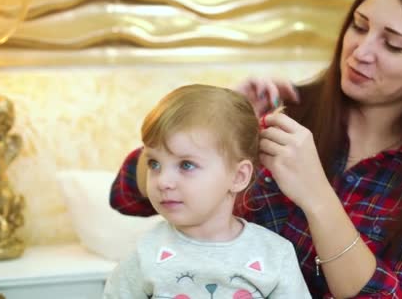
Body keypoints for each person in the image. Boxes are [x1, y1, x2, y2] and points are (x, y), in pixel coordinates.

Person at [109, 0, 402, 298]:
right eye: (359, 26)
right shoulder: (286, 114)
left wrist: (318, 197)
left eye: (392, 45)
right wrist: (210, 129)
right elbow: (127, 194)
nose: (361, 51)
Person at [104, 84, 311, 298]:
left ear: (238, 177)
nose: (163, 181)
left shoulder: (275, 255)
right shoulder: (145, 253)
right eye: (154, 164)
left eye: (186, 165)